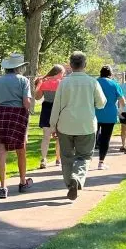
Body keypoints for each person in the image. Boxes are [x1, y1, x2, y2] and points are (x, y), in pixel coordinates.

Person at [52, 51, 106, 200]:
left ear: (70, 65)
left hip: (65, 124)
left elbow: (56, 106)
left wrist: (52, 125)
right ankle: (77, 178)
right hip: (86, 125)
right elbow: (101, 103)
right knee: (84, 156)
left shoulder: (64, 83)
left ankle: (70, 183)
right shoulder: (92, 82)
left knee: (67, 156)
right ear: (85, 65)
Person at [0, 53, 34, 198]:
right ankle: (23, 182)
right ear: (19, 67)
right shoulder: (24, 80)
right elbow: (26, 103)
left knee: (2, 149)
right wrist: (29, 109)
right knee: (21, 148)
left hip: (1, 114)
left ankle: (3, 187)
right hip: (18, 115)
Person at [34, 65, 65, 169]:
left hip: (46, 108)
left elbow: (37, 97)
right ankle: (58, 159)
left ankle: (43, 159)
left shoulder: (44, 82)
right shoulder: (62, 83)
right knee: (60, 137)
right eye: (62, 73)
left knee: (46, 136)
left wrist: (38, 85)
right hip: (59, 109)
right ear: (58, 73)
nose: (63, 75)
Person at [95, 66, 126, 170]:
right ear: (111, 74)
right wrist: (119, 111)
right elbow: (123, 102)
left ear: (100, 73)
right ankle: (101, 162)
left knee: (90, 138)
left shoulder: (94, 82)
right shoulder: (114, 84)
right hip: (109, 114)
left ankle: (85, 161)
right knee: (105, 138)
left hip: (94, 114)